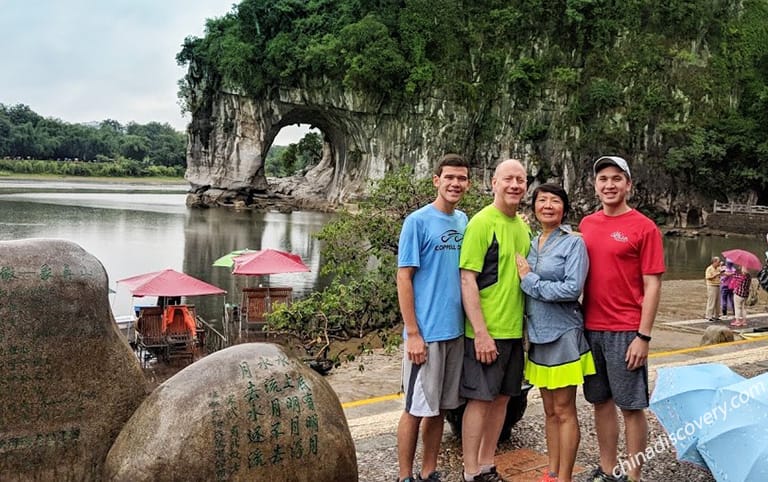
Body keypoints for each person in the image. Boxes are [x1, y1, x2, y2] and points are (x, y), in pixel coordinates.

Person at [579, 156, 665, 482]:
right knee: (600, 402)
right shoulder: (587, 225)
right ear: (595, 185)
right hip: (590, 328)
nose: (609, 185)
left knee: (631, 407)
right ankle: (606, 468)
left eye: (617, 179)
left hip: (627, 330)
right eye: (603, 179)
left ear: (628, 184)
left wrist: (643, 336)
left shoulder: (644, 227)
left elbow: (653, 283)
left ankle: (634, 475)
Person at [396, 153, 471, 482]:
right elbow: (404, 277)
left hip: (455, 332)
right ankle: (403, 475)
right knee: (414, 408)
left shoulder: (464, 221)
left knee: (440, 407)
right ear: (436, 181)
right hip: (426, 334)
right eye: (450, 177)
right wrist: (413, 332)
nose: (455, 183)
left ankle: (429, 471)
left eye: (462, 178)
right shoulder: (417, 221)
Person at [515, 183, 595, 482]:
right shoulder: (532, 241)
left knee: (564, 410)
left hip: (562, 334)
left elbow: (572, 289)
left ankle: (565, 477)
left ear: (564, 208)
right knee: (549, 410)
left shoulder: (573, 243)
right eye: (541, 200)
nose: (547, 205)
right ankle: (552, 471)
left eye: (555, 201)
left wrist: (530, 280)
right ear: (533, 206)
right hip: (537, 336)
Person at [458, 159, 531, 482]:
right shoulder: (482, 222)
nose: (515, 185)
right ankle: (470, 470)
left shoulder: (523, 227)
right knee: (480, 400)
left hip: (514, 331)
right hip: (486, 331)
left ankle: (488, 464)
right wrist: (481, 333)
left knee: (503, 399)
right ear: (494, 183)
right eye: (508, 179)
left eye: (521, 179)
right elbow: (467, 279)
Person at [704, 257, 722, 321]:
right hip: (711, 286)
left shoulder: (718, 268)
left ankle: (716, 315)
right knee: (712, 301)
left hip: (718, 285)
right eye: (718, 262)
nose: (719, 263)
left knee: (718, 301)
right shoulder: (709, 269)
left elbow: (722, 274)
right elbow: (708, 277)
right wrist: (715, 275)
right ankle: (709, 315)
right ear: (714, 262)